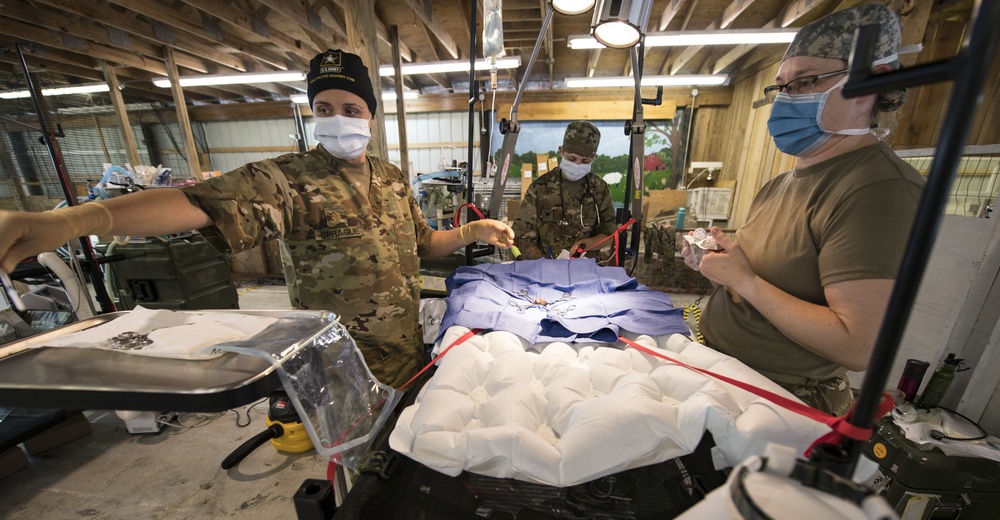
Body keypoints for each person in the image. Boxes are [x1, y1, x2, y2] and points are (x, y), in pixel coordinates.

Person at [0, 49, 513, 388]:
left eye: (352, 107)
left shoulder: (394, 178)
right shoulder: (286, 180)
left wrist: (469, 231)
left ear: (371, 114)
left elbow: (424, 244)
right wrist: (76, 221)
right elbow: (199, 203)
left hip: (402, 353)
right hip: (338, 362)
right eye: (325, 106)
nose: (340, 118)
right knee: (356, 476)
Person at [682, 4, 924, 415]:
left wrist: (746, 283)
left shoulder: (878, 190)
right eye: (782, 87)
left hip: (779, 402)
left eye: (806, 82)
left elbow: (857, 345)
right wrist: (718, 266)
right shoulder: (783, 183)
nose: (786, 99)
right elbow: (769, 276)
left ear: (871, 82)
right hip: (724, 372)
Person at [511, 121, 617, 259]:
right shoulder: (540, 188)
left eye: (585, 161)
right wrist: (542, 264)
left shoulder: (599, 188)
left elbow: (609, 234)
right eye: (571, 158)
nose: (577, 165)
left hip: (586, 270)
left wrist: (588, 243)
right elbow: (522, 236)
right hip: (545, 269)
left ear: (594, 158)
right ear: (561, 151)